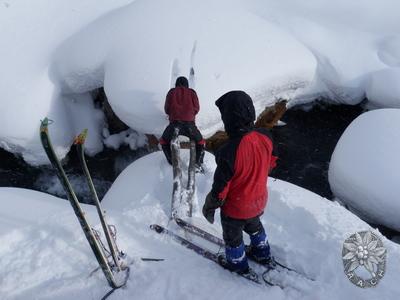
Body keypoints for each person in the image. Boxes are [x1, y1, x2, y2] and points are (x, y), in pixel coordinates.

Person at [202, 90, 277, 275]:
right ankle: (262, 252)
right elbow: (272, 161)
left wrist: (210, 206)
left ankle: (237, 263)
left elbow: (220, 188)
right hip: (258, 200)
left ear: (228, 118)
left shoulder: (228, 150)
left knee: (233, 236)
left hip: (236, 207)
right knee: (254, 225)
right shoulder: (266, 136)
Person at [160, 76, 205, 169]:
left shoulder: (171, 92)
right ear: (187, 84)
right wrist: (191, 115)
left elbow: (167, 109)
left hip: (174, 125)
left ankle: (171, 162)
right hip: (190, 125)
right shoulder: (192, 92)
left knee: (163, 141)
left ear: (176, 84)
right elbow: (197, 108)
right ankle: (197, 163)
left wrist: (173, 114)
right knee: (200, 142)